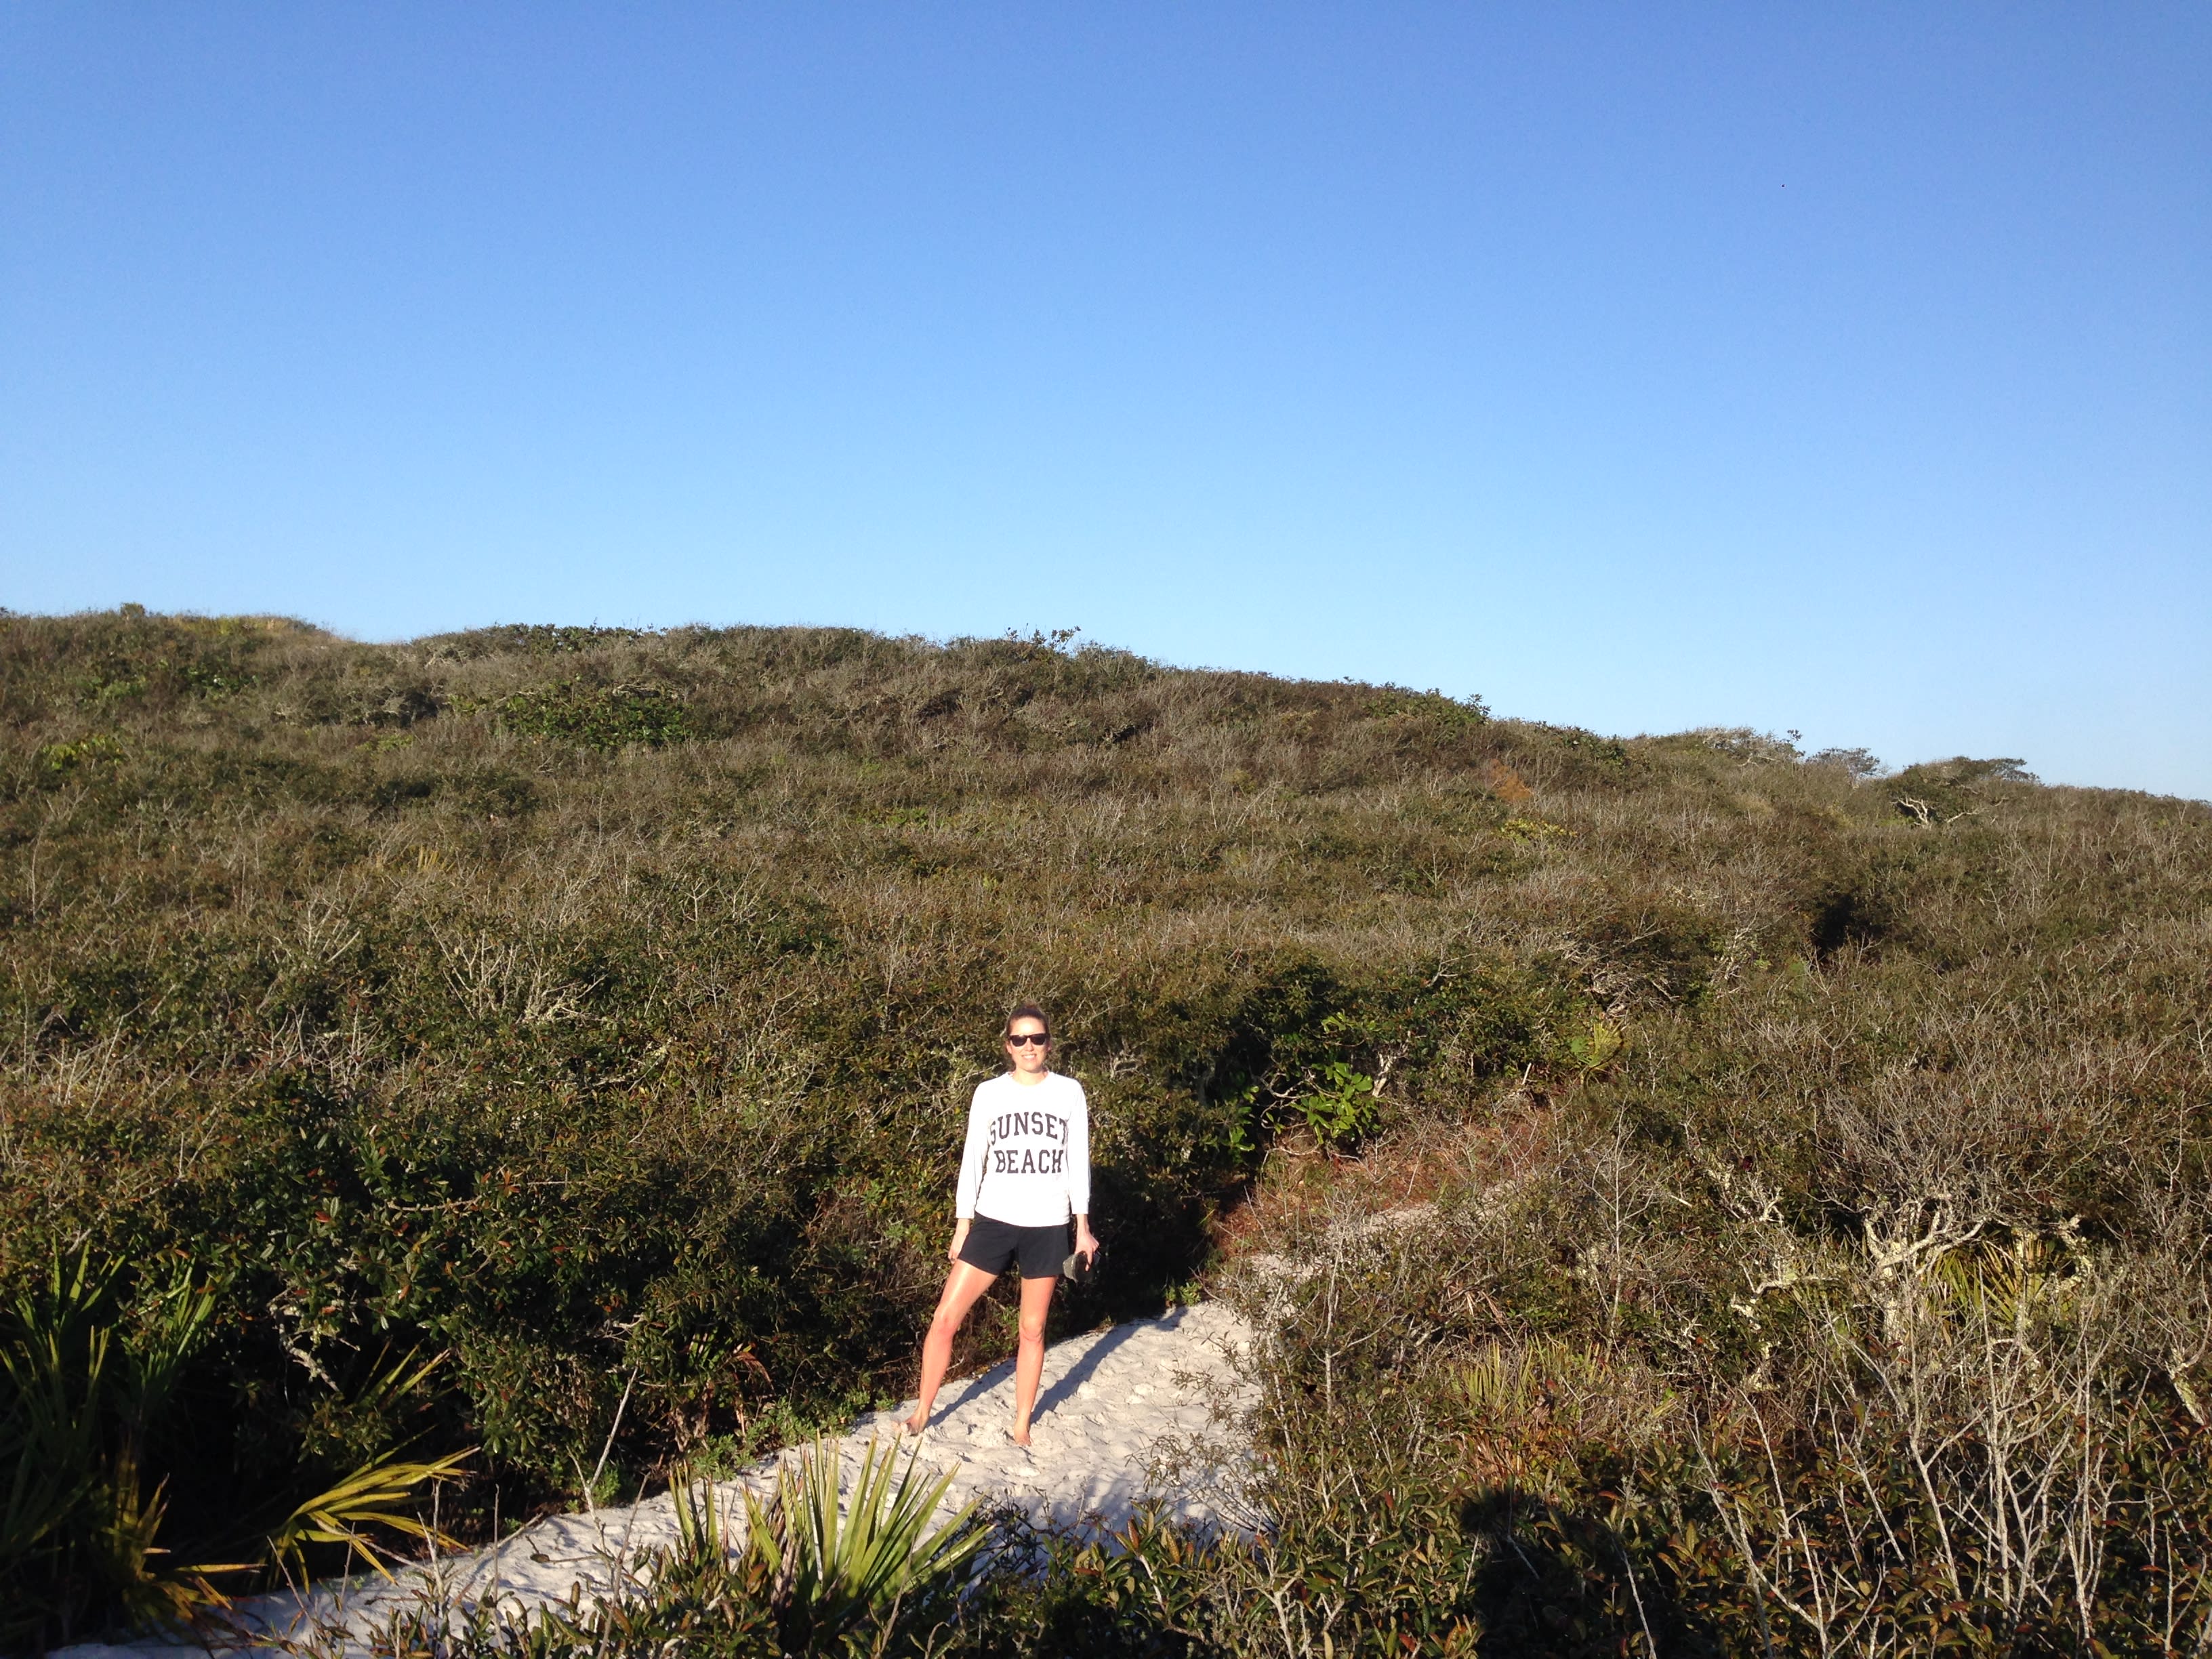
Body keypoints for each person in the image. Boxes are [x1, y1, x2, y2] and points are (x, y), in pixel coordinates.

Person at [901, 1002, 1099, 1447]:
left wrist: (1082, 1227)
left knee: (1032, 1329)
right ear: (1007, 1045)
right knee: (945, 1319)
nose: (1029, 1047)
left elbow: (1077, 1163)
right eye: (1019, 1039)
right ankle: (921, 1413)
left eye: (1037, 1038)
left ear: (1049, 1043)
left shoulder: (1069, 1092)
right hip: (993, 1221)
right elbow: (973, 1159)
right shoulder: (989, 1093)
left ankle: (1021, 1424)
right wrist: (963, 1223)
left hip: (1047, 1225)